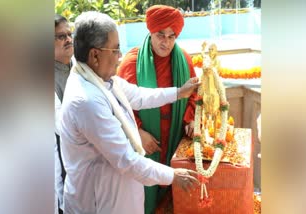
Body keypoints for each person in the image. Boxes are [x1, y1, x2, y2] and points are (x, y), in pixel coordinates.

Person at [59, 11, 200, 214]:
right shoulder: (86, 101)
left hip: (118, 197)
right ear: (95, 55)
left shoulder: (102, 79)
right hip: (99, 203)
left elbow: (139, 96)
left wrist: (179, 93)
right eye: (115, 50)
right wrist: (173, 176)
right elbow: (125, 159)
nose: (119, 56)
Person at [117, 5, 197, 213]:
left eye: (172, 36)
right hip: (146, 139)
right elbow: (122, 103)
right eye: (161, 35)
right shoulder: (132, 62)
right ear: (150, 32)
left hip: (175, 137)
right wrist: (139, 132)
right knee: (146, 188)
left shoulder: (183, 59)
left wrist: (190, 119)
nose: (166, 42)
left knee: (174, 189)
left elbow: (194, 94)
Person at [54, 13, 74, 214]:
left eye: (69, 34)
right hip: (62, 155)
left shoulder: (80, 66)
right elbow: (60, 126)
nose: (68, 39)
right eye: (61, 36)